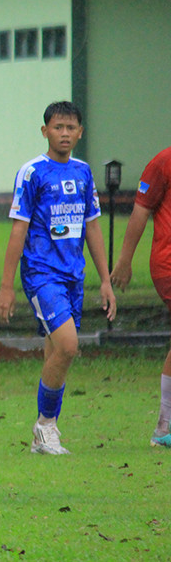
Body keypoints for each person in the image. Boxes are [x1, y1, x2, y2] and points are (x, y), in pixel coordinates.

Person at [0, 101, 116, 455]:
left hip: (72, 276)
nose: (64, 133)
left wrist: (104, 280)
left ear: (80, 132)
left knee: (54, 352)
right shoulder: (33, 173)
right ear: (45, 130)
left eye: (71, 128)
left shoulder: (83, 172)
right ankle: (46, 425)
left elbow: (91, 226)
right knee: (68, 345)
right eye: (58, 127)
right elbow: (18, 230)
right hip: (41, 273)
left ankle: (43, 436)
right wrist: (6, 287)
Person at [111, 146, 171, 447]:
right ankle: (163, 428)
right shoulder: (164, 161)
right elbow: (141, 210)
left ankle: (164, 428)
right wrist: (124, 260)